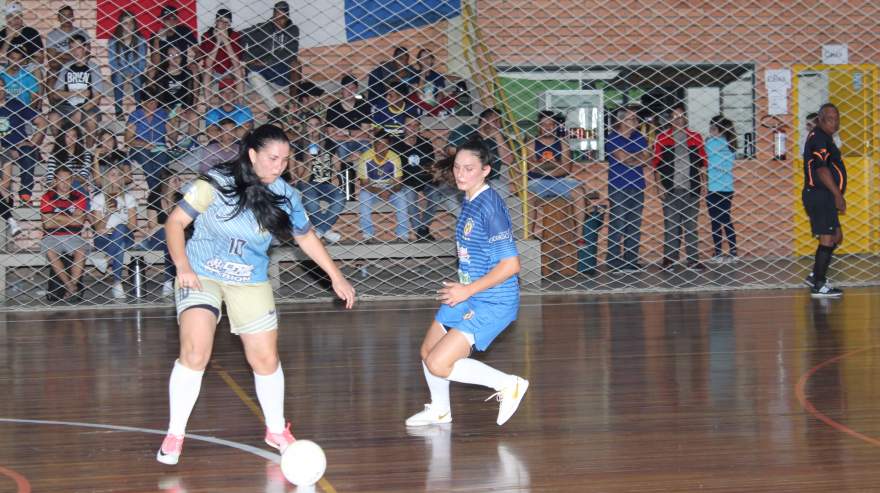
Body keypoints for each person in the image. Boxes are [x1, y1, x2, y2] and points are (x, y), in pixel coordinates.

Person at [156, 124, 356, 465]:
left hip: (249, 280)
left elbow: (306, 237)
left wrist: (336, 276)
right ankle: (175, 433)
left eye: (285, 160)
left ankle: (276, 429)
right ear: (252, 155)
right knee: (195, 351)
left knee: (265, 359)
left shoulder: (286, 195)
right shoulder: (215, 182)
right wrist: (182, 266)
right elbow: (174, 224)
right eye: (272, 158)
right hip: (202, 274)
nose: (279, 166)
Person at [405, 138, 529, 428]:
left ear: (485, 170)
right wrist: (465, 285)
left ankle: (508, 384)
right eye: (458, 167)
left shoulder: (490, 207)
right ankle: (439, 410)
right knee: (428, 351)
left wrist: (468, 289)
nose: (461, 174)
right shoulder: (470, 200)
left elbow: (511, 265)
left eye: (469, 168)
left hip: (493, 300)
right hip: (469, 293)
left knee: (439, 363)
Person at [651, 103, 707, 271]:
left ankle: (693, 260)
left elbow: (702, 163)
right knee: (671, 226)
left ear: (686, 118)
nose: (678, 120)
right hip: (670, 189)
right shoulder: (661, 138)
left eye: (681, 116)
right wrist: (659, 186)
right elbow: (656, 165)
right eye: (675, 116)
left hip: (692, 188)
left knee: (691, 227)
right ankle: (669, 260)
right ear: (670, 119)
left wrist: (703, 183)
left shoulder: (696, 137)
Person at [802, 103, 846, 298]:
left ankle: (815, 276)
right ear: (819, 119)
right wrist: (837, 195)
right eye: (830, 119)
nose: (834, 123)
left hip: (825, 196)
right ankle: (819, 285)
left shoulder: (826, 137)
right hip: (820, 195)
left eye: (837, 119)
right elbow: (821, 169)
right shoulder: (819, 137)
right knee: (827, 238)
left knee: (836, 237)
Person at [605, 107, 649, 272]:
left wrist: (633, 158)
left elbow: (647, 159)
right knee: (618, 223)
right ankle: (613, 261)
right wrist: (637, 157)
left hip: (638, 185)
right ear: (621, 121)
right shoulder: (612, 138)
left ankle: (631, 260)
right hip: (618, 186)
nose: (636, 122)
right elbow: (624, 159)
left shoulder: (639, 137)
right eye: (632, 119)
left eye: (636, 119)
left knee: (634, 225)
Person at [39, 165, 88, 302]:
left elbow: (79, 222)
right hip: (52, 236)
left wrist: (56, 217)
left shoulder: (79, 196)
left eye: (68, 179)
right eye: (61, 180)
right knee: (50, 251)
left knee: (81, 250)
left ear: (72, 180)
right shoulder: (47, 196)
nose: (65, 183)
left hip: (73, 236)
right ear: (55, 180)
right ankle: (71, 287)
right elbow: (47, 224)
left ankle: (71, 286)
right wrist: (70, 218)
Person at [241, 1, 301, 112]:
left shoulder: (293, 30)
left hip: (280, 68)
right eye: (276, 17)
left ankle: (294, 103)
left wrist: (267, 62)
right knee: (252, 74)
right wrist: (247, 60)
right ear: (273, 15)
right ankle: (275, 110)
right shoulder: (261, 28)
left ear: (287, 17)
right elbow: (238, 37)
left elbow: (291, 54)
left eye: (282, 18)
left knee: (296, 64)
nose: (279, 21)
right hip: (260, 69)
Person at [89, 164, 137, 299]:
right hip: (104, 238)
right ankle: (117, 283)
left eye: (119, 174)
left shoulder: (128, 198)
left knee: (120, 229)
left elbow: (133, 225)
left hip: (126, 235)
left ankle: (106, 259)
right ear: (105, 178)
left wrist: (114, 229)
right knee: (119, 245)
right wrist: (108, 214)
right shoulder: (99, 199)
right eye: (112, 174)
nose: (117, 177)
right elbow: (97, 228)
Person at [295, 115, 344, 243]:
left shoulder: (329, 143)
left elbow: (338, 168)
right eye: (310, 125)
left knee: (340, 198)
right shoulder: (300, 145)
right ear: (306, 128)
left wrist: (334, 168)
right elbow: (302, 179)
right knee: (310, 199)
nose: (313, 128)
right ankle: (326, 231)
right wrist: (310, 163)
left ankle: (321, 231)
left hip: (327, 183)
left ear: (321, 127)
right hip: (308, 184)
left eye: (316, 125)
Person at [50, 34, 104, 145]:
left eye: (78, 47)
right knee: (53, 117)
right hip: (66, 107)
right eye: (72, 48)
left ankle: (88, 152)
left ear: (86, 48)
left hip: (87, 107)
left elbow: (97, 98)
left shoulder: (93, 68)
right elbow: (55, 94)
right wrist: (75, 93)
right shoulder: (66, 67)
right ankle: (62, 149)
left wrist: (81, 110)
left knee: (91, 119)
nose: (75, 52)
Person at [357, 131, 410, 241]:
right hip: (372, 189)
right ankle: (368, 234)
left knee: (402, 198)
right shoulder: (365, 157)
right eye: (379, 144)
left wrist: (389, 191)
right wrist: (379, 192)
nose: (382, 147)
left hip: (390, 189)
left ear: (389, 145)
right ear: (374, 144)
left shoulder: (394, 157)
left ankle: (403, 234)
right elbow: (364, 183)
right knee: (363, 197)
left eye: (385, 144)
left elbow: (399, 184)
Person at [705, 115, 738, 263]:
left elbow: (706, 162)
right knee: (725, 219)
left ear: (718, 129)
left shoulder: (710, 143)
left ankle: (718, 252)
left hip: (713, 187)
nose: (710, 130)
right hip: (727, 188)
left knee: (716, 221)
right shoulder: (730, 143)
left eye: (712, 127)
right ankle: (733, 251)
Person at [108, 10, 148, 119]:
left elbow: (142, 62)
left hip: (136, 72)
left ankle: (139, 108)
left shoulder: (141, 40)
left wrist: (133, 72)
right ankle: (118, 110)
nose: (129, 25)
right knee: (119, 77)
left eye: (131, 22)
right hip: (119, 72)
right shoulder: (113, 41)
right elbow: (112, 62)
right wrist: (123, 71)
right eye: (125, 23)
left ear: (135, 24)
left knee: (136, 78)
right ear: (120, 24)